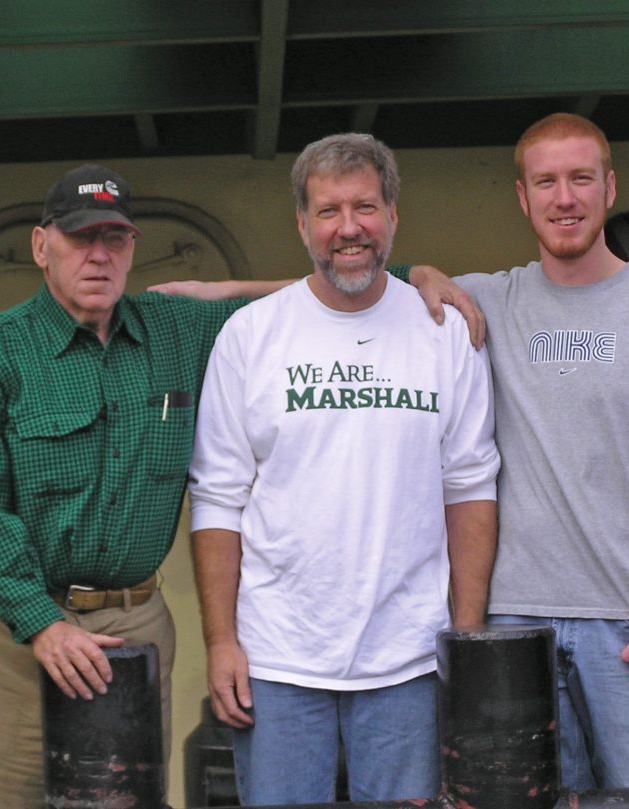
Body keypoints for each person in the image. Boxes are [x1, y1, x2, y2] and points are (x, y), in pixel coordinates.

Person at [0, 163, 482, 809]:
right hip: (16, 627)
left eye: (116, 238)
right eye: (81, 238)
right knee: (4, 798)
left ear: (133, 246)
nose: (100, 255)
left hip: (133, 622)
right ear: (40, 245)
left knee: (127, 798)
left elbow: (331, 288)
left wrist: (414, 276)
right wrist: (42, 623)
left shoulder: (178, 328)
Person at [405, 113, 629, 790]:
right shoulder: (486, 302)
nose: (564, 197)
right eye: (547, 181)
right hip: (514, 628)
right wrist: (418, 272)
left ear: (609, 188)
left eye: (580, 179)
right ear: (523, 197)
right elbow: (331, 302)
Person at [187, 133, 500, 805]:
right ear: (302, 225)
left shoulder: (444, 330)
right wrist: (221, 641)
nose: (348, 227)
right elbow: (216, 498)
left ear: (394, 216)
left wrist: (465, 639)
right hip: (276, 659)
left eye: (365, 207)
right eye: (328, 211)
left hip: (410, 660)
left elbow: (470, 486)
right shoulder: (250, 335)